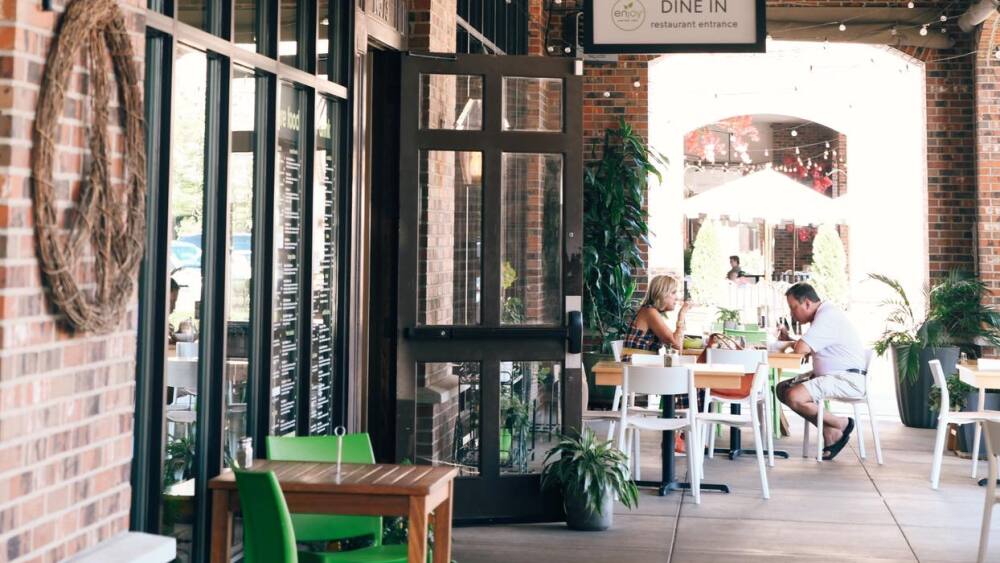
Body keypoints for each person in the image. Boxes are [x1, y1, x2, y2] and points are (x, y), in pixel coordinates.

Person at [776, 283, 866, 460]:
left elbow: (802, 348)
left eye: (793, 308)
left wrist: (796, 344)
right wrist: (791, 340)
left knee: (795, 396)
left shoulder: (827, 316)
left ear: (807, 303)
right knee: (782, 389)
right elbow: (806, 346)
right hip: (834, 375)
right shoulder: (823, 315)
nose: (792, 314)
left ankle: (841, 424)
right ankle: (830, 430)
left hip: (846, 378)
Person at [622, 275, 689, 359]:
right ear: (662, 294)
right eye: (673, 292)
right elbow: (676, 344)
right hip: (635, 364)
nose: (677, 298)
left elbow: (678, 346)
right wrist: (682, 314)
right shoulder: (650, 312)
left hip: (641, 363)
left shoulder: (649, 310)